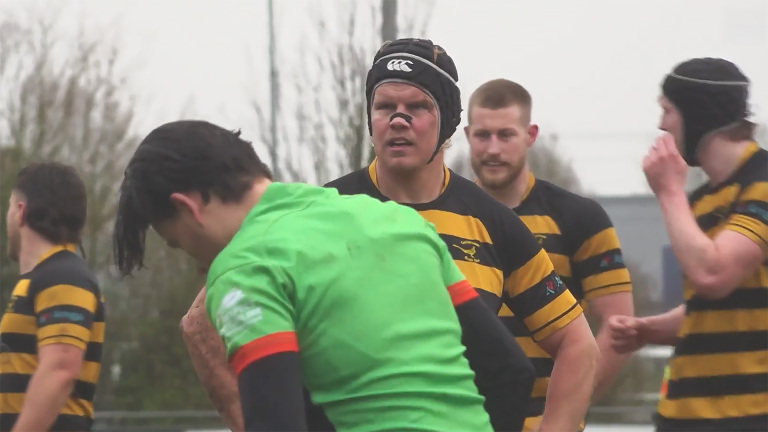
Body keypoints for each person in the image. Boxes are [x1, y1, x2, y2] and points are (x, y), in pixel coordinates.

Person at [113, 119, 533, 432]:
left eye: (178, 243)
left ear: (187, 208)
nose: (196, 263)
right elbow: (510, 370)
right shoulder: (396, 220)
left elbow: (277, 425)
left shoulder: (245, 267)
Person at [324, 38, 599, 432]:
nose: (398, 120)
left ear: (448, 122)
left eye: (417, 107)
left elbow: (578, 345)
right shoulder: (324, 212)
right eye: (385, 107)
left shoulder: (492, 222)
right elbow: (233, 327)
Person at [464, 78, 636, 430]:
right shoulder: (446, 215)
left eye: (506, 135)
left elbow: (620, 328)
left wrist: (563, 415)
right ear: (467, 135)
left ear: (530, 135)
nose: (493, 149)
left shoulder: (579, 217)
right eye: (483, 135)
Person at [609, 57, 768, 431]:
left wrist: (668, 191)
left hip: (746, 415)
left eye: (668, 110)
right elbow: (708, 304)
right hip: (682, 415)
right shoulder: (700, 200)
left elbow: (714, 274)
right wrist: (648, 330)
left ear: (698, 114)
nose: (661, 124)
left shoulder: (762, 183)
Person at [0, 162, 106, 432]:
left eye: (9, 207)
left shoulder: (64, 275)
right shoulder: (41, 279)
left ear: (21, 212)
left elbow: (60, 369)